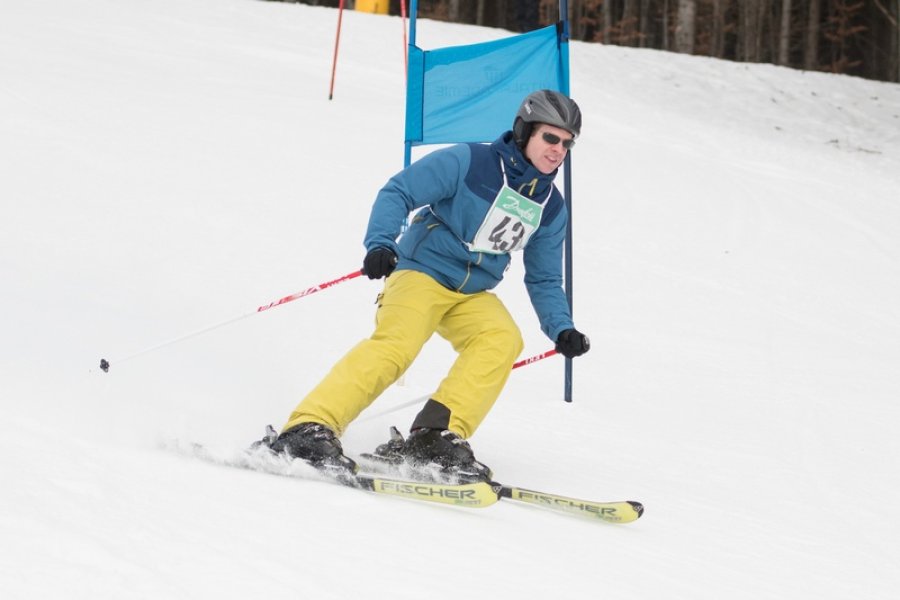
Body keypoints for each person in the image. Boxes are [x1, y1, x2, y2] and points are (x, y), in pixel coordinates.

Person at [270, 89, 591, 478]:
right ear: (524, 132)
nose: (558, 150)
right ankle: (309, 427)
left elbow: (544, 277)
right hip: (422, 272)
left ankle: (434, 437)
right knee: (397, 347)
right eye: (550, 138)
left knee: (502, 339)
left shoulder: (550, 206)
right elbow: (399, 191)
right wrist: (381, 243)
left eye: (567, 143)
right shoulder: (471, 162)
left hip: (471, 292)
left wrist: (561, 327)